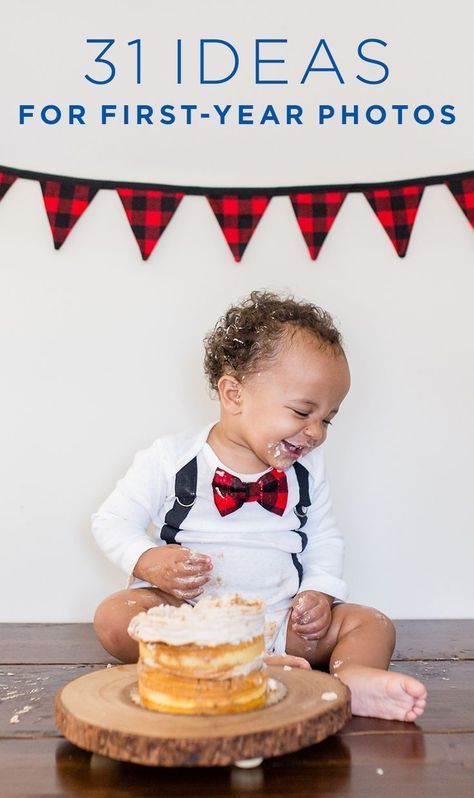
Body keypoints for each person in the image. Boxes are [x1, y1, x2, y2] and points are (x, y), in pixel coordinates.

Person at [92, 290, 427, 722]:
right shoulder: (171, 459)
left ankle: (355, 678)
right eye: (303, 411)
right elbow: (112, 520)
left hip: (280, 620)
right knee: (115, 617)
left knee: (371, 623)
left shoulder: (307, 470)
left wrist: (320, 592)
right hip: (194, 623)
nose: (316, 433)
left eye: (327, 419)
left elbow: (323, 536)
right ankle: (223, 668)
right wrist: (148, 560)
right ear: (234, 394)